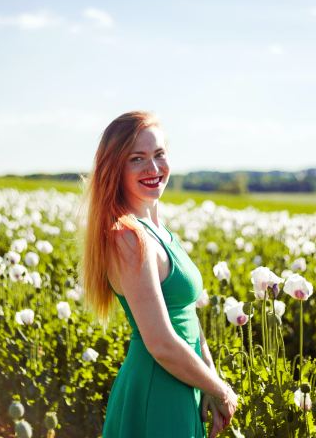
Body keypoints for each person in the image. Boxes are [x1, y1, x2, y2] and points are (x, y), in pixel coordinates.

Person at [79, 111, 238, 438]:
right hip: (158, 388)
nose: (153, 169)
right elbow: (161, 342)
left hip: (185, 381)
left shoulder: (157, 230)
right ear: (115, 168)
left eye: (159, 154)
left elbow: (188, 317)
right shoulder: (129, 238)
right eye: (137, 159)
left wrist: (208, 379)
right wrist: (221, 390)